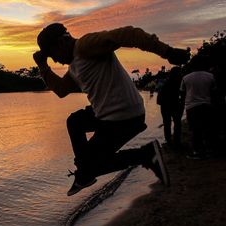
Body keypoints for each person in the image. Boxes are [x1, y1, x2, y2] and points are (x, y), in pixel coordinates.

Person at [33, 23, 190, 196]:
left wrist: (168, 52)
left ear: (62, 43)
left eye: (52, 54)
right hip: (110, 116)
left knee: (92, 165)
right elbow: (61, 90)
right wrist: (43, 67)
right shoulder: (75, 66)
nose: (55, 60)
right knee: (75, 122)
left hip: (123, 116)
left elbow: (130, 33)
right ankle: (85, 171)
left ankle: (144, 155)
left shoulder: (86, 46)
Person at [180, 55, 217, 159]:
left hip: (192, 107)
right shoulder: (210, 76)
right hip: (207, 105)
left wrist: (182, 108)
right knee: (207, 128)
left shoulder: (186, 78)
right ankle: (209, 150)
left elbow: (182, 94)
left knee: (196, 130)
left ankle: (197, 151)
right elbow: (214, 92)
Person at [157, 66, 184, 147]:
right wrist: (182, 104)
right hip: (174, 105)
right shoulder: (179, 82)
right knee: (177, 123)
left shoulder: (166, 82)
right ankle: (176, 141)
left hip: (165, 105)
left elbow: (160, 96)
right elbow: (182, 94)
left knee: (167, 124)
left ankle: (169, 141)